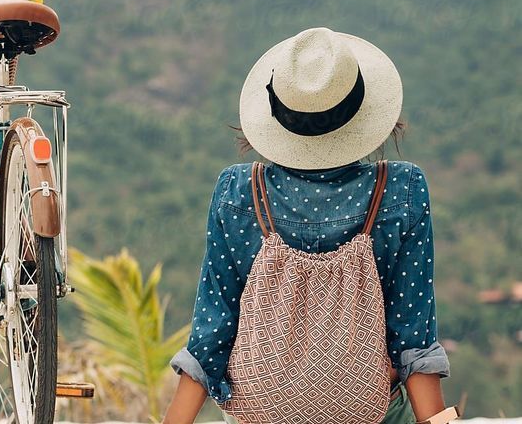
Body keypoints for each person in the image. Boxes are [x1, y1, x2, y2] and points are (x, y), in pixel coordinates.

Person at [163, 27, 453, 424]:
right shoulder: (401, 188)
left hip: (262, 408)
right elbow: (413, 333)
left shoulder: (238, 190)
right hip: (367, 407)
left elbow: (213, 327)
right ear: (365, 110)